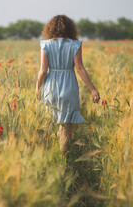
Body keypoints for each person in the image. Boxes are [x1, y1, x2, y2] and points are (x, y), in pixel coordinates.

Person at [35, 15, 100, 154]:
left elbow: (43, 70)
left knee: (49, 123)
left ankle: (50, 155)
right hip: (68, 87)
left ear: (50, 28)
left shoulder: (45, 45)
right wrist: (93, 89)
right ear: (70, 28)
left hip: (50, 88)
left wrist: (38, 88)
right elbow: (80, 68)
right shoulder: (75, 45)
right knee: (65, 127)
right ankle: (63, 156)